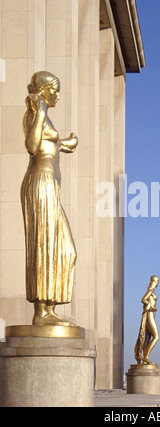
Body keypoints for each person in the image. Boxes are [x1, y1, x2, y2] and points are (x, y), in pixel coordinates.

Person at [21, 71, 78, 326]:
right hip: (40, 182)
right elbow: (33, 146)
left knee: (65, 250)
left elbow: (48, 146)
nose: (57, 95)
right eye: (54, 90)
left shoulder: (43, 116)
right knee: (44, 244)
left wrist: (66, 143)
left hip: (50, 185)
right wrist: (41, 109)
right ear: (43, 91)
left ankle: (50, 308)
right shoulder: (34, 113)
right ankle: (41, 312)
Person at [134, 275, 160, 365]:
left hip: (152, 314)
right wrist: (151, 306)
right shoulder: (150, 290)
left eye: (157, 282)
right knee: (156, 337)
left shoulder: (152, 290)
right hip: (149, 313)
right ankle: (146, 357)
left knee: (148, 337)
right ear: (153, 281)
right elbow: (143, 299)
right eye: (156, 281)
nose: (157, 283)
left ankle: (145, 358)